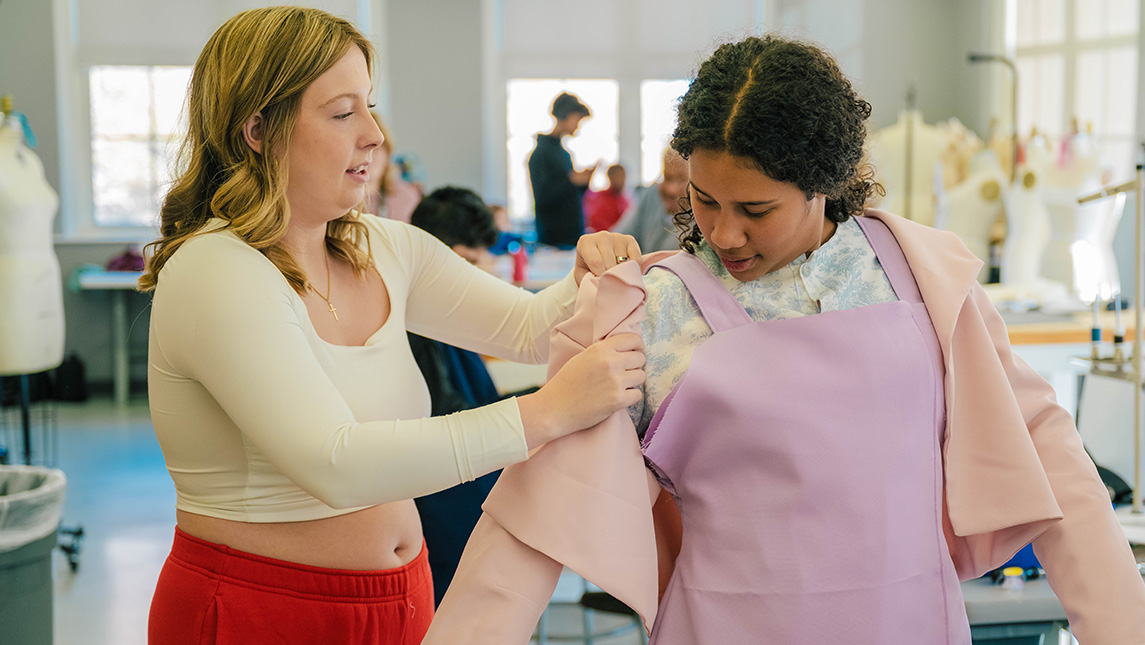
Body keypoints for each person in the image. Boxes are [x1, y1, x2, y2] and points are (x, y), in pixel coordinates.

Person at [426, 34, 1145, 644]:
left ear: (825, 184)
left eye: (755, 209)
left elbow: (1056, 465)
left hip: (912, 622)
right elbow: (531, 522)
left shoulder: (924, 278)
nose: (722, 233)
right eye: (702, 200)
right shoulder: (653, 307)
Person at [137, 7, 644, 644]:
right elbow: (335, 464)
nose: (375, 134)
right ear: (258, 129)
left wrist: (587, 278)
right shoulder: (214, 269)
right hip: (261, 608)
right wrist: (546, 414)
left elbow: (526, 328)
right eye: (343, 112)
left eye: (369, 107)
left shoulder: (382, 247)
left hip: (401, 599)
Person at [405, 187, 510, 606]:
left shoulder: (446, 315)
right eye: (466, 262)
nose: (475, 274)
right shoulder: (417, 325)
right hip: (444, 503)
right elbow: (449, 416)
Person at [528, 91, 595, 248]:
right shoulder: (541, 153)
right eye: (577, 119)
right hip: (553, 240)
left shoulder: (563, 153)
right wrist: (572, 181)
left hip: (571, 236)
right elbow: (543, 196)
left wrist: (583, 182)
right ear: (565, 115)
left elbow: (571, 195)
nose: (578, 125)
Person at [613, 147, 688, 252]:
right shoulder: (652, 195)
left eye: (683, 180)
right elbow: (618, 237)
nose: (671, 190)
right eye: (667, 177)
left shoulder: (705, 220)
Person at [362, 110, 421, 223]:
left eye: (376, 147)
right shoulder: (336, 202)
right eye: (363, 147)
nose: (369, 155)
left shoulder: (407, 197)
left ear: (388, 152)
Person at [583, 163, 631, 232]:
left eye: (621, 177)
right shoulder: (597, 196)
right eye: (616, 176)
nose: (619, 180)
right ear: (609, 177)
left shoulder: (625, 203)